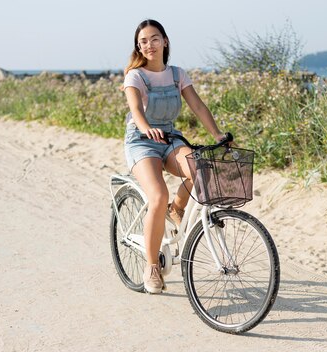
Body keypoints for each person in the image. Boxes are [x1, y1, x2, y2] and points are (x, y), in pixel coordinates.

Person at [122, 19, 226, 294]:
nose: (149, 45)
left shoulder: (177, 74)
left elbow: (198, 106)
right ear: (138, 46)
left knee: (200, 167)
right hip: (141, 141)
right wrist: (146, 128)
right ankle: (152, 266)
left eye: (154, 39)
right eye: (143, 41)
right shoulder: (135, 76)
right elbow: (135, 109)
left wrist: (217, 135)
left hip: (169, 138)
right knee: (157, 196)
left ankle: (176, 209)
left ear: (165, 41)